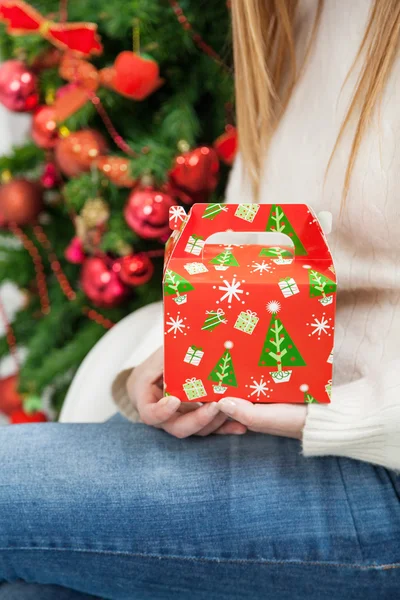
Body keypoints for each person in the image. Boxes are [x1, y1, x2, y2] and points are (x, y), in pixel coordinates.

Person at [1, 0, 400, 598]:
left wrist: (337, 417)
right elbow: (246, 251)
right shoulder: (290, 21)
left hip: (376, 470)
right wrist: (172, 362)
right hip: (261, 427)